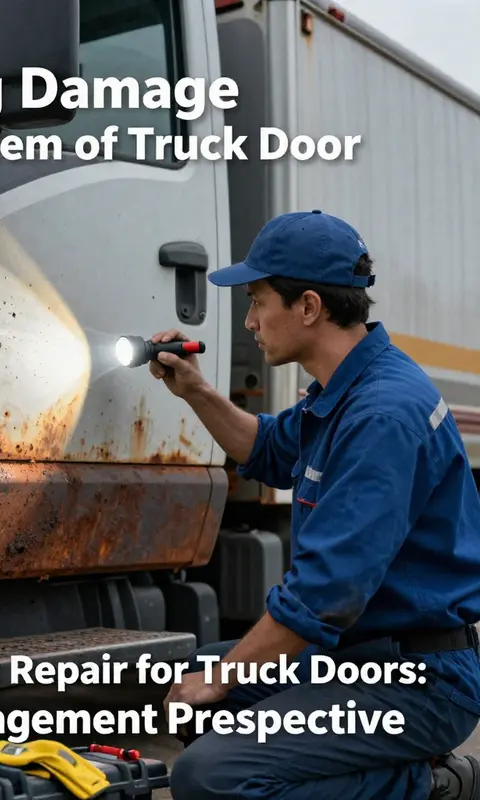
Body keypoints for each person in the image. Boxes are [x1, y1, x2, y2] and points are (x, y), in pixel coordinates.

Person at [150, 210, 480, 800]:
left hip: (416, 682)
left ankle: (428, 786)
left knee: (211, 777)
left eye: (257, 301)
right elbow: (270, 448)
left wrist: (225, 679)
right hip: (357, 659)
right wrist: (196, 390)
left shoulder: (382, 415)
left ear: (307, 307)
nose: (249, 320)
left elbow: (325, 596)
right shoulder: (346, 390)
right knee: (178, 687)